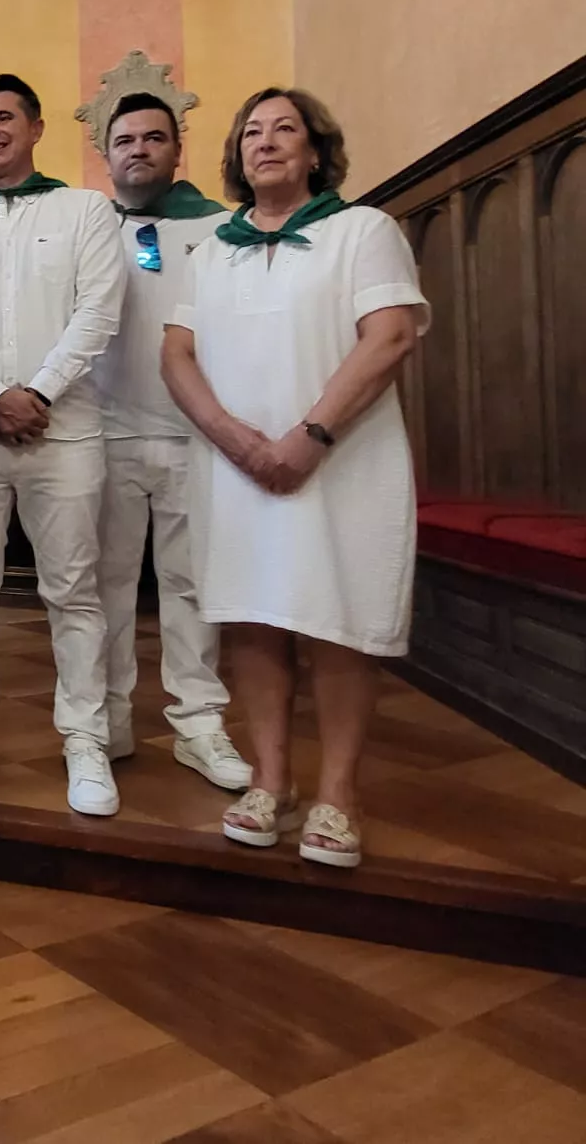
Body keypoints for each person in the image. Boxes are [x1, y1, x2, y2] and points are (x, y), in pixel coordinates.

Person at [163, 88, 426, 869]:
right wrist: (232, 437)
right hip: (236, 466)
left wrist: (310, 436)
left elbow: (389, 336)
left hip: (341, 461)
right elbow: (176, 353)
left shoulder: (362, 231)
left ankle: (339, 793)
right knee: (252, 614)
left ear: (317, 150)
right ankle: (270, 781)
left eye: (285, 129)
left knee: (337, 616)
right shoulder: (209, 251)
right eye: (252, 131)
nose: (266, 141)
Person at [0, 74, 126, 816]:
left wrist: (36, 392)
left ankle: (84, 740)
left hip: (64, 428)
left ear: (37, 128)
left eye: (3, 117)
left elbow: (99, 312)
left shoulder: (86, 211)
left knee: (72, 588)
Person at [90, 96, 251, 789]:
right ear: (106, 152)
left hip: (194, 435)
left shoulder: (222, 230)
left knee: (190, 587)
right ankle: (107, 718)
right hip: (102, 433)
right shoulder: (87, 228)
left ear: (177, 149)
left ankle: (199, 723)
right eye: (124, 139)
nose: (138, 150)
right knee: (105, 589)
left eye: (154, 138)